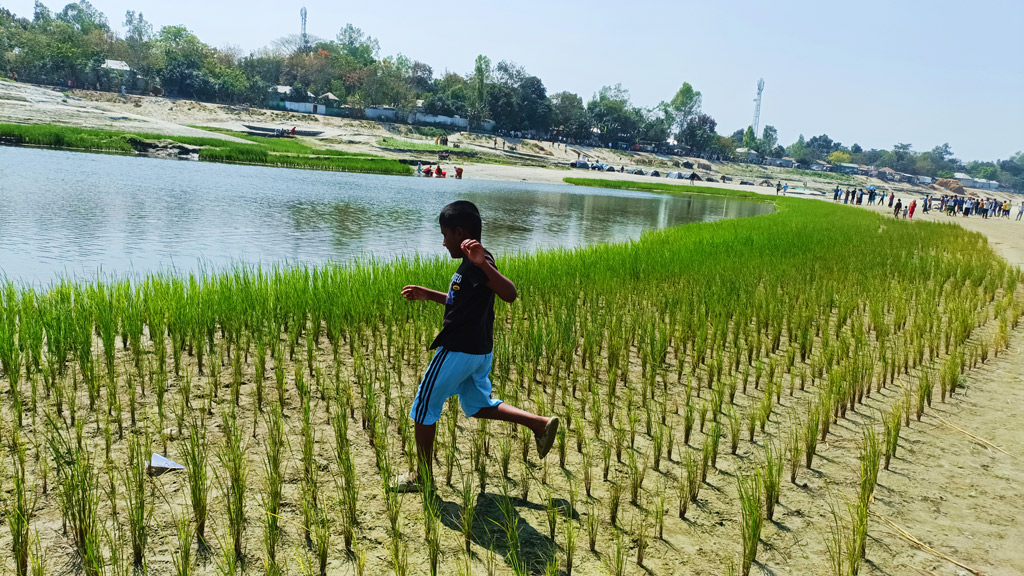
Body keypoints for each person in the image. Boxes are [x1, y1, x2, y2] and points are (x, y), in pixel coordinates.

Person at [393, 201, 559, 492]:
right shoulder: (470, 266)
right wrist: (429, 295)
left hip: (458, 350)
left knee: (423, 407)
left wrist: (482, 263)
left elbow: (509, 293)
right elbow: (461, 301)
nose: (443, 242)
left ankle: (422, 477)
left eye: (445, 235)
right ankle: (539, 424)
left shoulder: (479, 262)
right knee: (478, 405)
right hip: (479, 351)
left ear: (461, 232)